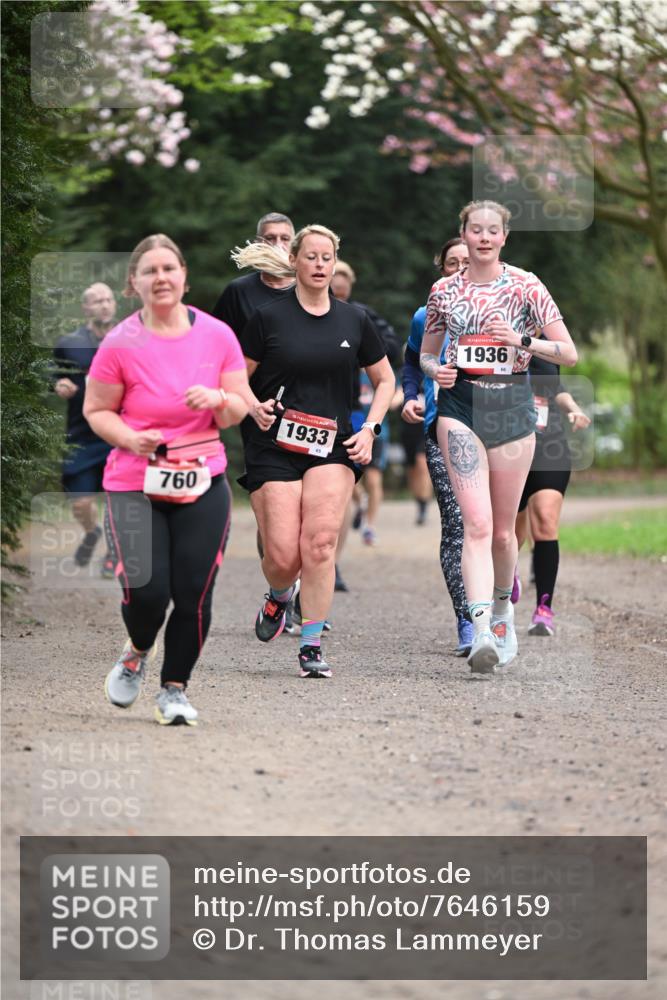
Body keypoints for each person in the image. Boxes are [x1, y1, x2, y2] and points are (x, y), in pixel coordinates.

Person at [84, 234, 249, 725]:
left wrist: (218, 399)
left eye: (169, 269)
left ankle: (174, 689)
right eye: (150, 271)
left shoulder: (217, 335)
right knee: (148, 592)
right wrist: (130, 438)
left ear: (184, 277)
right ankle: (136, 650)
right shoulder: (119, 342)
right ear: (134, 284)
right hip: (135, 481)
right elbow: (97, 409)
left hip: (202, 479)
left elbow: (239, 408)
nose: (161, 278)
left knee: (196, 590)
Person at [421, 200, 578, 674]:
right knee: (477, 524)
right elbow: (426, 356)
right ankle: (482, 630)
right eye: (476, 230)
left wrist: (521, 341)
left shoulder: (526, 286)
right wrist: (438, 371)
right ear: (463, 235)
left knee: (506, 532)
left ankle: (505, 611)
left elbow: (568, 353)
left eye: (493, 230)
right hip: (460, 408)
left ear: (504, 237)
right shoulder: (444, 291)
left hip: (511, 408)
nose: (484, 237)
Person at [232, 225, 395, 678]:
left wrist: (371, 430)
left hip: (333, 445)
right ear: (296, 262)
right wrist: (252, 404)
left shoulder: (354, 319)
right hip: (273, 445)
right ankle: (280, 595)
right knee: (284, 557)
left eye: (327, 258)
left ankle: (311, 644)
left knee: (320, 544)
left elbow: (385, 381)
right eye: (312, 257)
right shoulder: (267, 318)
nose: (320, 265)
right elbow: (235, 377)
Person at [212, 211, 303, 630]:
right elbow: (220, 349)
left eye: (285, 237)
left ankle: (299, 590)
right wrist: (240, 401)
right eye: (269, 237)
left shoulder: (310, 285)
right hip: (259, 412)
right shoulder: (239, 293)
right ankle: (281, 586)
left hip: (310, 411)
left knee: (309, 509)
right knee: (272, 511)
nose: (277, 244)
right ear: (256, 241)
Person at [402, 238, 472, 656]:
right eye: (452, 263)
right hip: (441, 425)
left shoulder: (502, 306)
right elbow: (412, 361)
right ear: (441, 268)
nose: (461, 268)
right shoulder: (426, 316)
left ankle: (498, 592)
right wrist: (412, 395)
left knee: (496, 527)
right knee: (457, 526)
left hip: (496, 429)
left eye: (467, 261)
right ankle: (467, 617)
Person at [513, 355, 591, 634]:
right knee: (512, 532)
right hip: (508, 447)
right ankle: (507, 575)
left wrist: (572, 407)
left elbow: (556, 388)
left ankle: (543, 608)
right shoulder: (496, 340)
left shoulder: (547, 344)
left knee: (545, 519)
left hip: (549, 446)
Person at [330, 260, 403, 551]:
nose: (340, 282)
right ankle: (357, 509)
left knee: (373, 476)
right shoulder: (302, 313)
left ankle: (370, 526)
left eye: (346, 276)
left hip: (370, 418)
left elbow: (393, 350)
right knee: (347, 478)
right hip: (340, 412)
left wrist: (363, 353)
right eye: (338, 276)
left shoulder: (363, 315)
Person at [52, 283, 116, 575]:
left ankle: (114, 554)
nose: (104, 304)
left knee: (121, 499)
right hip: (82, 434)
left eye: (108, 299)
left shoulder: (128, 338)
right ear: (86, 308)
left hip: (119, 433)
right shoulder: (69, 343)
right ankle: (92, 533)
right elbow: (55, 373)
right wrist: (58, 384)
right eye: (97, 301)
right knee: (80, 502)